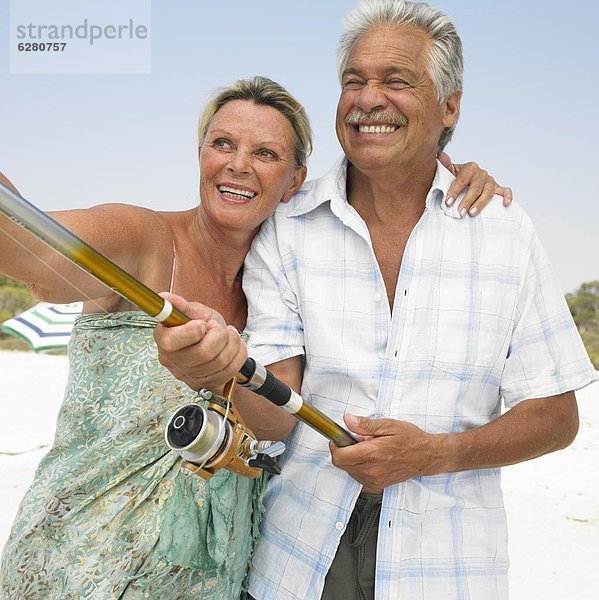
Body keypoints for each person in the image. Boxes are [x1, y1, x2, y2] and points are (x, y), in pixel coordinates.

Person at [153, 2, 598, 599]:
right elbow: (278, 416)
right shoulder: (288, 223)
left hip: (447, 572)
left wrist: (435, 454)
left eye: (396, 81)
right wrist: (222, 370)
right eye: (353, 81)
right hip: (299, 563)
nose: (368, 99)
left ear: (449, 106)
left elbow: (555, 416)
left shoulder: (506, 232)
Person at [0, 75, 503, 599]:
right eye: (223, 144)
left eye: (265, 153)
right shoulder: (144, 240)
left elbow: (382, 198)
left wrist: (444, 177)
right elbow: (23, 240)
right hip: (76, 568)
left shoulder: (290, 286)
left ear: (294, 181)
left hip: (210, 583)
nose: (238, 164)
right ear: (200, 155)